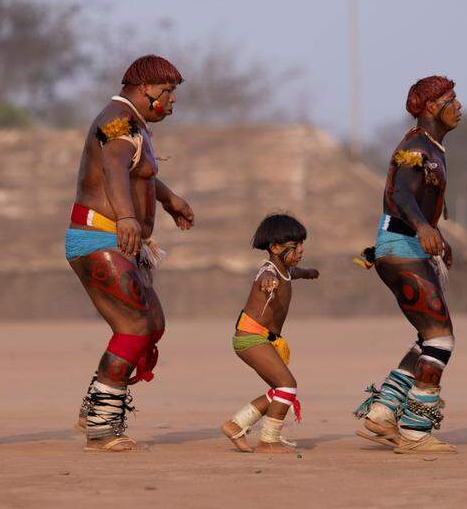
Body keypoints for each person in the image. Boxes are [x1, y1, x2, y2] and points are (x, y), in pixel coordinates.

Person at [66, 55, 194, 452]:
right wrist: (125, 216)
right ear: (145, 90)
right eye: (168, 92)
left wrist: (169, 199)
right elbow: (114, 169)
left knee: (152, 323)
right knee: (134, 327)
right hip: (99, 238)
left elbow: (140, 172)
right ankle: (103, 425)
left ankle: (95, 406)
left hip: (118, 242)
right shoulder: (115, 122)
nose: (172, 102)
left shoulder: (134, 124)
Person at [354, 75, 461, 454]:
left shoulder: (429, 146)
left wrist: (436, 237)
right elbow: (400, 192)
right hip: (402, 246)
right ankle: (416, 429)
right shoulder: (416, 146)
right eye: (451, 98)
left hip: (403, 246)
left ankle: (383, 412)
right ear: (432, 107)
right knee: (440, 338)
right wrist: (422, 228)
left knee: (426, 338)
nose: (458, 105)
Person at [220, 214, 318, 453]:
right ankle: (269, 440)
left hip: (263, 340)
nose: (301, 250)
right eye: (295, 246)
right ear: (274, 247)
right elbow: (266, 274)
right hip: (250, 338)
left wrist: (308, 273)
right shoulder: (269, 270)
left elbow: (294, 273)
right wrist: (267, 280)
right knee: (288, 385)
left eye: (302, 245)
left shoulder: (286, 270)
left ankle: (236, 424)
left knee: (279, 389)